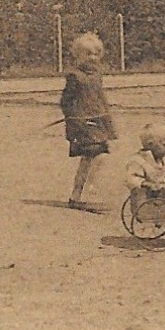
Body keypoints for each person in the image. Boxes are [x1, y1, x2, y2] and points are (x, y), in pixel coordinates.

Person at [62, 32, 117, 210]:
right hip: (82, 122)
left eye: (96, 53)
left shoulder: (97, 75)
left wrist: (108, 122)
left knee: (93, 157)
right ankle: (82, 194)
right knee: (93, 155)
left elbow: (101, 98)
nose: (92, 58)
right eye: (88, 54)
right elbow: (65, 101)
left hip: (97, 119)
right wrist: (73, 119)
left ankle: (77, 194)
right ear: (78, 56)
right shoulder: (75, 76)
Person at [125, 120, 165, 193]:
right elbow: (132, 179)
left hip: (164, 196)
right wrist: (145, 184)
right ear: (151, 144)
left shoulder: (163, 161)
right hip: (147, 197)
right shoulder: (137, 160)